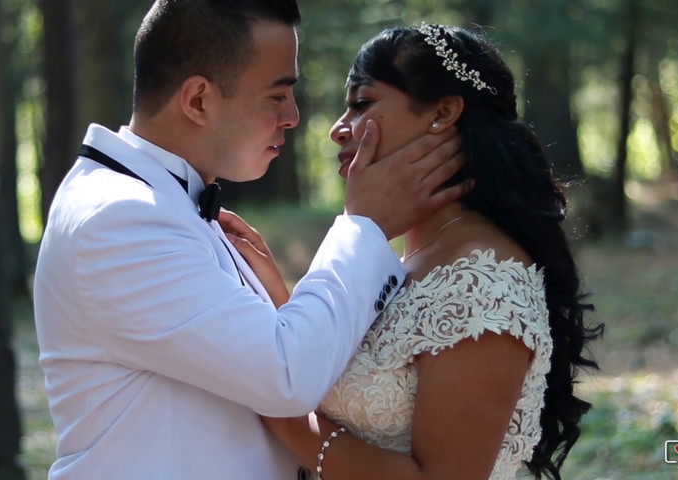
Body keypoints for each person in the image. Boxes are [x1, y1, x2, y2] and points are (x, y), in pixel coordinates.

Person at [32, 1, 470, 478]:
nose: (294, 117)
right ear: (198, 100)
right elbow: (286, 376)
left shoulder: (166, 203)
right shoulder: (119, 217)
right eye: (277, 95)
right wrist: (363, 226)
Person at [224, 23, 604, 480]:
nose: (338, 131)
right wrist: (281, 306)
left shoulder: (479, 281)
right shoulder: (403, 263)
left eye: (361, 104)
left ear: (442, 113)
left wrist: (281, 415)